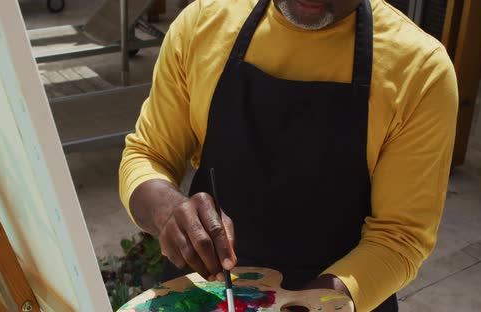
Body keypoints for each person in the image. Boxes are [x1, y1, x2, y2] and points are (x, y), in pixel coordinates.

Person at [119, 0, 458, 310]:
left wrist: (312, 303)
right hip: (202, 295)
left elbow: (399, 238)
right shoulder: (203, 25)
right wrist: (168, 212)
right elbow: (147, 153)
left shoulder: (419, 71)